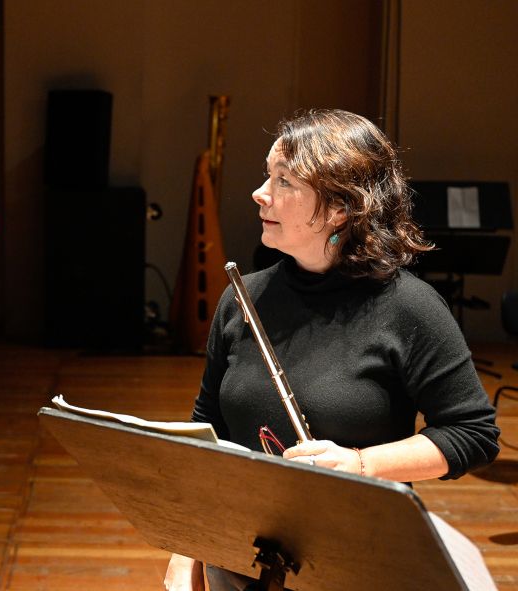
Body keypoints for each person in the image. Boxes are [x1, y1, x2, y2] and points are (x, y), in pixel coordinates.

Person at [164, 109, 500, 591]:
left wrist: (361, 465)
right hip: (236, 559)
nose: (260, 193)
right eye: (266, 175)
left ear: (341, 207)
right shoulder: (243, 297)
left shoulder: (408, 308)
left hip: (353, 563)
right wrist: (185, 547)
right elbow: (210, 432)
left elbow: (473, 434)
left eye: (283, 180)